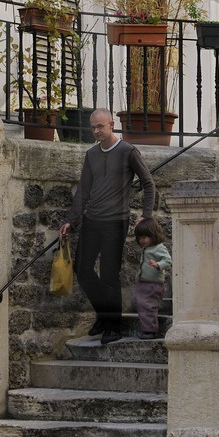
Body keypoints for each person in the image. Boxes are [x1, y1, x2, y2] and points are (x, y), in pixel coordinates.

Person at [59, 109, 156, 344]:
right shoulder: (91, 155)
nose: (95, 131)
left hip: (116, 221)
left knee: (110, 275)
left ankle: (114, 327)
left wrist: (145, 215)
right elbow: (83, 190)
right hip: (93, 220)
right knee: (82, 270)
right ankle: (104, 315)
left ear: (112, 124)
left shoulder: (128, 152)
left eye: (100, 126)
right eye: (93, 127)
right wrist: (71, 220)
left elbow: (149, 183)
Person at [131, 218, 171, 339]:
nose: (142, 240)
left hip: (153, 284)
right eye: (139, 237)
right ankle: (148, 327)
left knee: (147, 305)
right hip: (143, 282)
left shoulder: (159, 247)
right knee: (139, 302)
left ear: (153, 235)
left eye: (145, 237)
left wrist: (158, 265)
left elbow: (168, 260)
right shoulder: (147, 248)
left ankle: (150, 331)